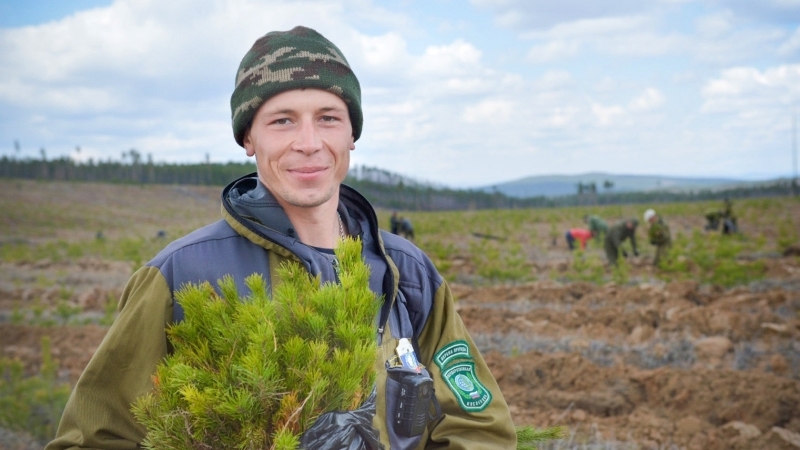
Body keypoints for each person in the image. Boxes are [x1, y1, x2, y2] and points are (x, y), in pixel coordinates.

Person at [46, 26, 516, 450]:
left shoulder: (406, 272)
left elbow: (479, 426)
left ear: (353, 133)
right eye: (282, 120)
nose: (308, 142)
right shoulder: (181, 276)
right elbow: (94, 437)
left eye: (329, 118)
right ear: (248, 138)